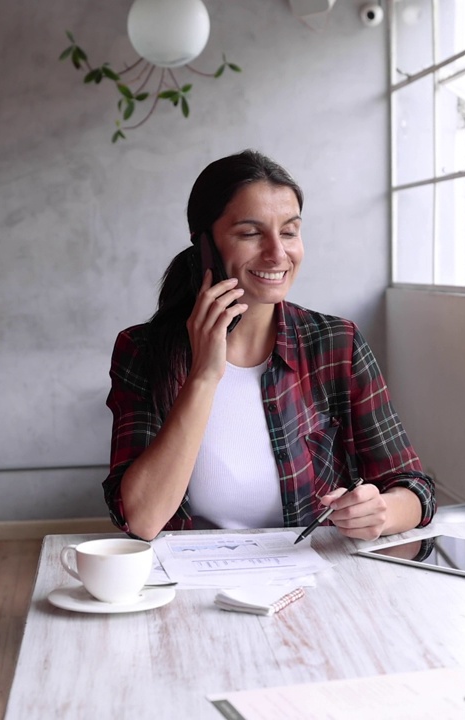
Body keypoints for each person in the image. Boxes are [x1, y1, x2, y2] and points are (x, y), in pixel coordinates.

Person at [103, 150, 436, 541]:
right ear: (205, 246)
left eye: (290, 231)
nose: (278, 253)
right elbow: (142, 519)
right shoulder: (142, 350)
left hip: (313, 578)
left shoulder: (336, 343)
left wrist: (382, 511)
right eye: (250, 233)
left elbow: (415, 488)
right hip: (191, 585)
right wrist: (204, 377)